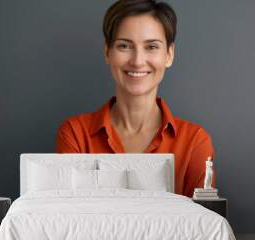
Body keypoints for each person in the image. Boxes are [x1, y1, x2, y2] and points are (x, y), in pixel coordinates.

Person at [55, 0, 215, 197]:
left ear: (169, 55)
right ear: (107, 52)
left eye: (151, 47)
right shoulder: (75, 135)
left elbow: (201, 225)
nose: (138, 61)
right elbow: (72, 219)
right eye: (124, 46)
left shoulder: (194, 142)